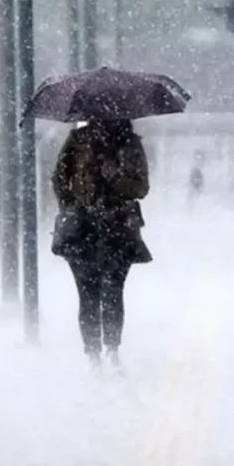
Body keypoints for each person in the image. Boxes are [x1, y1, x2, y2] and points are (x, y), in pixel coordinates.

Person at [51, 119, 152, 371]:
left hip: (118, 230)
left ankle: (111, 349)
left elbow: (141, 188)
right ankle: (94, 353)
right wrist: (74, 204)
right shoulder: (78, 141)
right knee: (88, 294)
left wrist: (115, 177)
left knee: (112, 292)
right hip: (83, 231)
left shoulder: (130, 144)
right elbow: (59, 179)